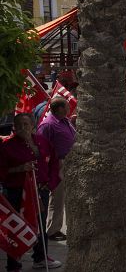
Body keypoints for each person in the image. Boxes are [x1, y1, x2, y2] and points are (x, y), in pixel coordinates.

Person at [1, 113, 62, 272]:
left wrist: (50, 183)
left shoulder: (42, 142)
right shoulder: (7, 146)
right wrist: (18, 169)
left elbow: (54, 163)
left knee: (40, 225)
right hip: (16, 192)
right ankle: (13, 268)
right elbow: (2, 172)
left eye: (26, 124)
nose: (22, 128)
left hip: (39, 191)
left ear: (33, 125)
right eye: (19, 124)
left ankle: (40, 258)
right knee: (17, 229)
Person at [38, 97, 76, 240]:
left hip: (71, 163)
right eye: (67, 106)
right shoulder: (47, 125)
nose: (69, 108)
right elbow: (42, 149)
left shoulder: (65, 120)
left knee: (69, 197)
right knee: (57, 199)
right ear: (60, 109)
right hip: (58, 165)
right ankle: (52, 230)